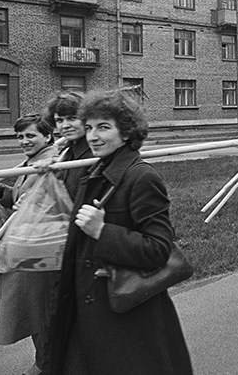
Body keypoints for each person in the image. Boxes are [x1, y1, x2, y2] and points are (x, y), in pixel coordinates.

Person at [45, 90, 193, 375]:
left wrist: (103, 231)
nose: (93, 136)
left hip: (125, 315)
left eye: (103, 127)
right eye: (88, 128)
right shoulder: (97, 170)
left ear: (126, 133)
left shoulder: (141, 177)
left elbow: (158, 249)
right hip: (89, 306)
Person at [0, 114, 72, 375]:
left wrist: (28, 204)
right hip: (31, 247)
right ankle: (46, 361)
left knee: (42, 311)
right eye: (20, 136)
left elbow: (54, 202)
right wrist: (2, 193)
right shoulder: (33, 162)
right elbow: (23, 197)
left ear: (47, 136)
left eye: (30, 136)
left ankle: (45, 365)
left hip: (44, 249)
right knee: (35, 310)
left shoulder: (51, 163)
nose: (24, 141)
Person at [43, 91, 92, 199]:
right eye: (59, 120)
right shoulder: (67, 151)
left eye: (72, 118)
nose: (65, 126)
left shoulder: (95, 152)